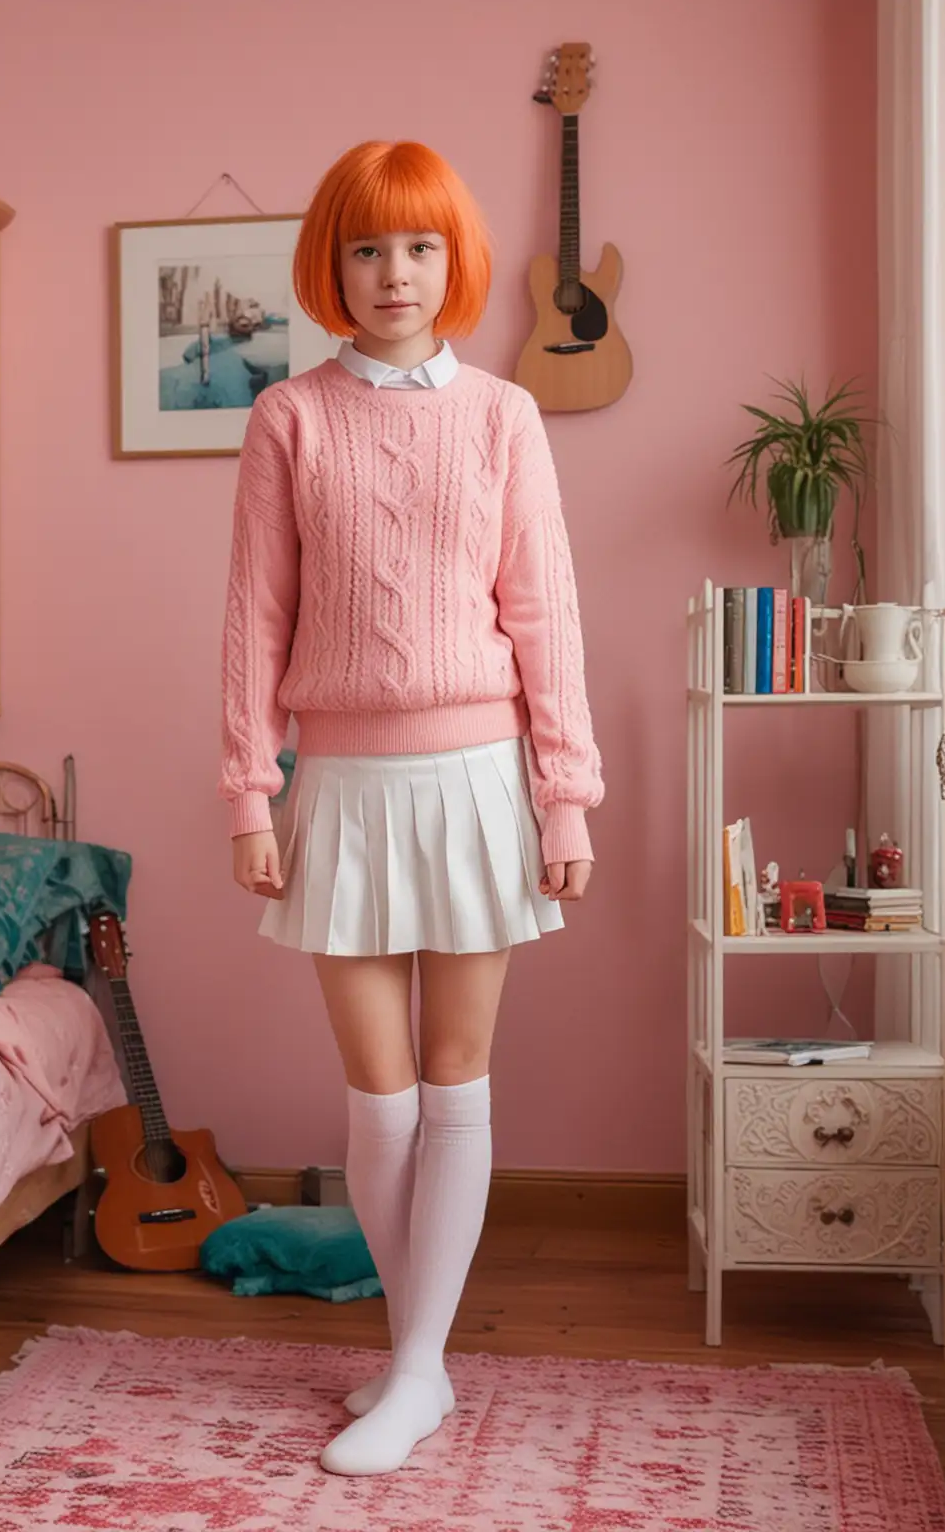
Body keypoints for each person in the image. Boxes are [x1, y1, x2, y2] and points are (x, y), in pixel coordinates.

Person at [218, 140, 604, 1477]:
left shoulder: (503, 416)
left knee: (455, 1086)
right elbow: (255, 620)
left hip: (482, 782)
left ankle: (412, 1367)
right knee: (377, 1098)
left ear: (457, 261)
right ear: (334, 265)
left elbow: (543, 610)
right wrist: (248, 791)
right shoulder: (289, 418)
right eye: (371, 248)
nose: (396, 274)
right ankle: (419, 1363)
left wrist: (566, 796)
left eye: (422, 247)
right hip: (343, 791)